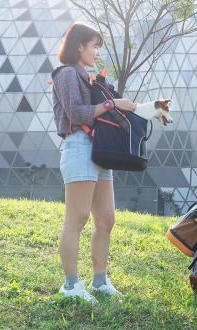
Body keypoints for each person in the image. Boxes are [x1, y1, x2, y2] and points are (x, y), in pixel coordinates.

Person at [52, 22, 137, 303]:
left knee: (106, 219)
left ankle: (99, 281)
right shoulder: (66, 74)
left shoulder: (88, 77)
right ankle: (71, 285)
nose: (97, 51)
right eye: (94, 46)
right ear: (79, 46)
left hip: (99, 150)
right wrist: (114, 104)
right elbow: (76, 113)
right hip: (78, 146)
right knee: (76, 218)